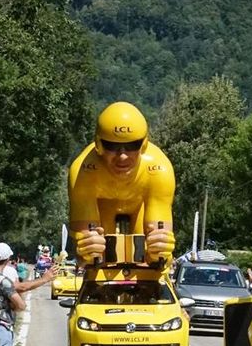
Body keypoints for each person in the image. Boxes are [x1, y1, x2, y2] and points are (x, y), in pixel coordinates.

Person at [68, 102, 175, 266]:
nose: (123, 156)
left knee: (153, 255)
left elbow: (163, 243)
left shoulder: (160, 169)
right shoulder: (82, 169)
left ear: (144, 145)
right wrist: (86, 249)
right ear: (98, 145)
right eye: (112, 146)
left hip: (140, 207)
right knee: (95, 256)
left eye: (132, 146)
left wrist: (161, 249)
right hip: (102, 207)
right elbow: (81, 249)